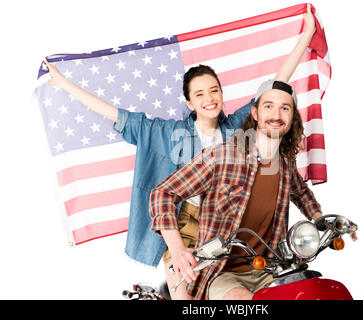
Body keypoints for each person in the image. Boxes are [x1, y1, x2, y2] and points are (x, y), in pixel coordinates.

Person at [44, 4, 318, 299]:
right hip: (184, 222)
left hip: (228, 221)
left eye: (214, 90)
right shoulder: (164, 132)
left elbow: (274, 90)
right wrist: (63, 84)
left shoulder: (238, 126)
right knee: (184, 297)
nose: (209, 98)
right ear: (189, 103)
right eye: (199, 94)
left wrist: (306, 36)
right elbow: (116, 115)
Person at [150, 77, 328, 300]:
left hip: (270, 269)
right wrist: (177, 250)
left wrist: (321, 218)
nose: (276, 114)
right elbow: (163, 193)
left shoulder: (283, 164)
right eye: (268, 106)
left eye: (285, 108)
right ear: (254, 113)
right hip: (222, 273)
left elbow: (300, 192)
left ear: (292, 118)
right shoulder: (222, 157)